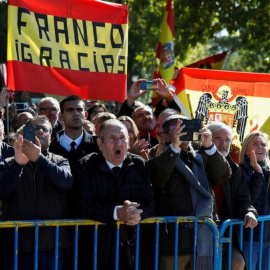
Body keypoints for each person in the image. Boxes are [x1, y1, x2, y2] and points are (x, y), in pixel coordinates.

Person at [149, 115, 232, 270]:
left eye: (186, 127)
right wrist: (174, 147)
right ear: (165, 135)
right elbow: (158, 177)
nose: (181, 132)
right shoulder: (157, 158)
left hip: (202, 241)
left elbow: (224, 175)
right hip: (173, 242)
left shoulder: (201, 157)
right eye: (175, 128)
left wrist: (210, 147)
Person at [75, 119, 154, 270]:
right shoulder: (85, 166)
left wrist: (136, 214)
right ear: (100, 143)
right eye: (112, 138)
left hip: (133, 251)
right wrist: (117, 213)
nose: (119, 143)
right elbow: (82, 204)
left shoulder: (140, 165)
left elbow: (150, 202)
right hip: (97, 250)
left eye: (123, 138)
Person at [0, 115, 73, 270]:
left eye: (44, 129)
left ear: (51, 139)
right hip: (16, 247)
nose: (39, 131)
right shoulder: (9, 163)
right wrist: (18, 165)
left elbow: (66, 183)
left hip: (51, 247)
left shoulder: (60, 161)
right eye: (34, 128)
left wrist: (39, 158)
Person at [207, 122, 258, 270]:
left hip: (224, 235)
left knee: (238, 262)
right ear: (207, 139)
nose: (223, 144)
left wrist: (249, 212)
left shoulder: (235, 170)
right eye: (218, 138)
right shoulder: (196, 163)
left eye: (227, 139)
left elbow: (243, 200)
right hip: (195, 235)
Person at [239, 131, 270, 270]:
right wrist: (257, 173)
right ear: (246, 151)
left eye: (263, 145)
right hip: (249, 238)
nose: (260, 147)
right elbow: (249, 200)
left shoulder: (268, 172)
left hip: (267, 238)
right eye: (255, 144)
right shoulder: (240, 171)